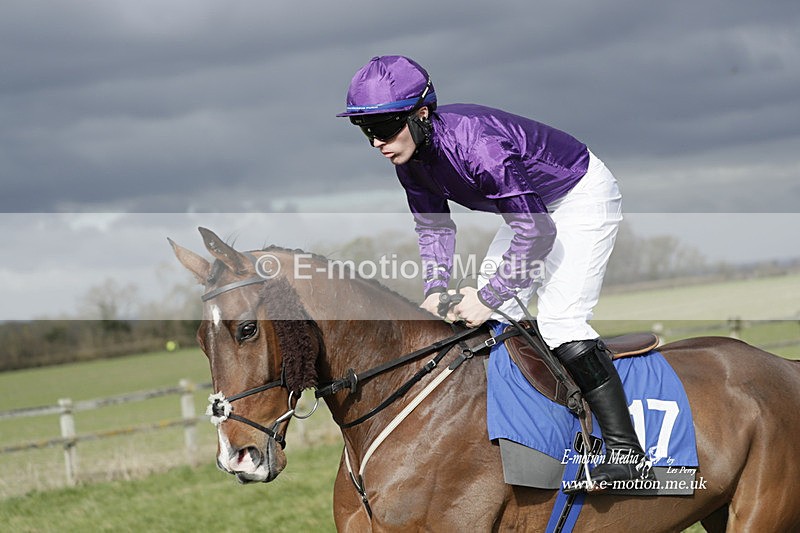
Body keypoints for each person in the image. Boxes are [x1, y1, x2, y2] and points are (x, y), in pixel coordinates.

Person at [337, 55, 653, 490]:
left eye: (385, 128)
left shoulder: (478, 146)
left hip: (578, 195)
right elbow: (434, 227)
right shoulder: (408, 161)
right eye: (366, 130)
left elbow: (538, 232)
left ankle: (627, 455)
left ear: (421, 114)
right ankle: (534, 433)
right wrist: (436, 287)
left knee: (560, 321)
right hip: (530, 210)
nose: (377, 142)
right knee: (495, 320)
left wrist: (488, 297)